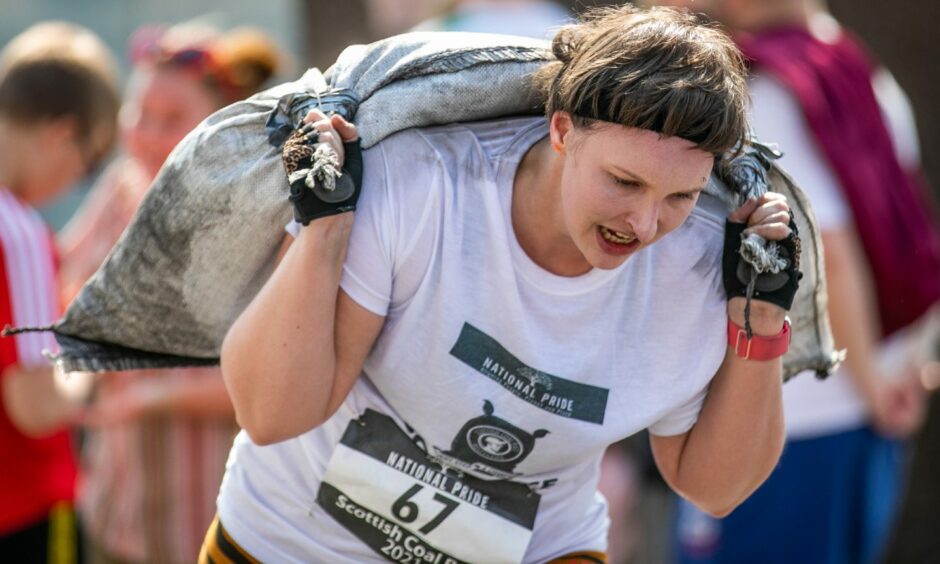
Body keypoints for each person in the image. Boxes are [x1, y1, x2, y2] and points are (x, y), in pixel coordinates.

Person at [207, 6, 800, 562]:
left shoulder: (698, 260)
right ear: (563, 130)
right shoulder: (423, 183)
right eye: (623, 181)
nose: (645, 226)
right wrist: (326, 230)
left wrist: (763, 323)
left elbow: (713, 489)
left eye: (681, 197)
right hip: (297, 539)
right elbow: (270, 414)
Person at [645, 1, 940, 563]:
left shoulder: (770, 88)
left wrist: (875, 384)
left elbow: (827, 243)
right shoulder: (858, 67)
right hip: (877, 391)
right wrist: (910, 368)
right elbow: (915, 231)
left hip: (787, 413)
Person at [55, 23, 283, 564]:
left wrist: (154, 398)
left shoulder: (260, 220)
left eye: (173, 119)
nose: (150, 135)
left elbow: (281, 381)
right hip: (116, 510)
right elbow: (65, 287)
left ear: (220, 122)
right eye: (140, 114)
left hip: (211, 527)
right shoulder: (121, 190)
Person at [0, 21, 120, 563]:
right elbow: (35, 407)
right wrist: (89, 366)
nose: (77, 178)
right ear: (61, 135)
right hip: (21, 506)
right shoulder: (18, 234)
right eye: (87, 161)